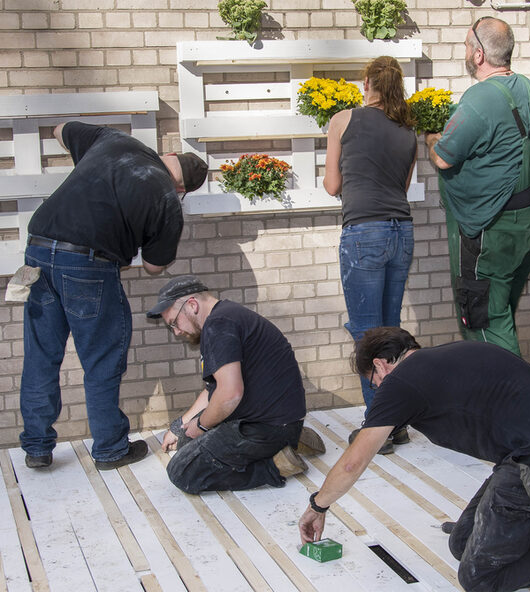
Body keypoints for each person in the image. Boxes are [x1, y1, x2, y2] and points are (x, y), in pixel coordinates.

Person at [298, 326, 530, 592]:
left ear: (380, 365)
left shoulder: (401, 381)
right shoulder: (449, 355)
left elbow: (353, 462)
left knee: (480, 578)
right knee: (463, 542)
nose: (378, 391)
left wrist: (318, 505)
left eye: (374, 384)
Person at [20, 121, 208, 471]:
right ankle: (109, 450)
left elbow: (61, 130)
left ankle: (37, 448)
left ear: (169, 154)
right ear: (182, 189)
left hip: (39, 251)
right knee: (102, 361)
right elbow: (154, 266)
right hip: (89, 265)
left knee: (41, 357)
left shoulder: (114, 140)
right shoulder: (167, 199)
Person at [425, 17, 530, 356]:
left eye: (467, 45)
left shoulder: (480, 97)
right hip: (527, 224)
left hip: (491, 231)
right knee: (500, 314)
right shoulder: (529, 89)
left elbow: (444, 157)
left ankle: (512, 390)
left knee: (483, 323)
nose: (465, 51)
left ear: (479, 55)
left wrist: (432, 138)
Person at [146, 275, 325, 494]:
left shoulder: (218, 326)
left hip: (266, 426)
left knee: (183, 471)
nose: (177, 332)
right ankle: (288, 441)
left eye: (174, 323)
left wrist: (200, 425)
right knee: (185, 441)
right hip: (273, 419)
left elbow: (230, 395)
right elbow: (213, 390)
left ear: (192, 305)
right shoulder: (226, 317)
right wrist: (180, 427)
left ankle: (276, 464)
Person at [323, 55, 417, 454]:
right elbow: (401, 186)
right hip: (401, 232)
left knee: (367, 334)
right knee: (390, 331)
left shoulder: (343, 120)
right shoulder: (408, 131)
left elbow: (332, 185)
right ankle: (397, 423)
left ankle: (378, 427)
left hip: (364, 231)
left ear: (367, 83)